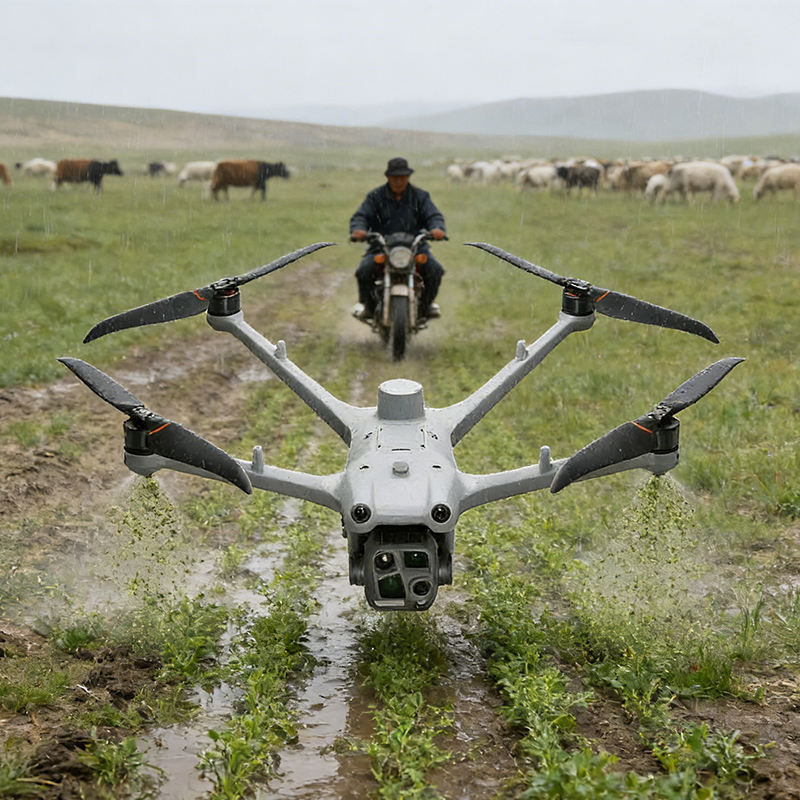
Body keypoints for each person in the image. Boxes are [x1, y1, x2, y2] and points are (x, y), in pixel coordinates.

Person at [350, 157, 446, 320]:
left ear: (408, 177)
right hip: (381, 246)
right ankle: (369, 307)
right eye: (395, 177)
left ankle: (425, 307)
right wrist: (358, 229)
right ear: (388, 177)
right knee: (363, 271)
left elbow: (433, 215)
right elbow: (362, 216)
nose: (399, 181)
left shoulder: (420, 196)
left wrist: (437, 228)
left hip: (415, 246)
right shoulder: (375, 196)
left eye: (402, 177)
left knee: (435, 270)